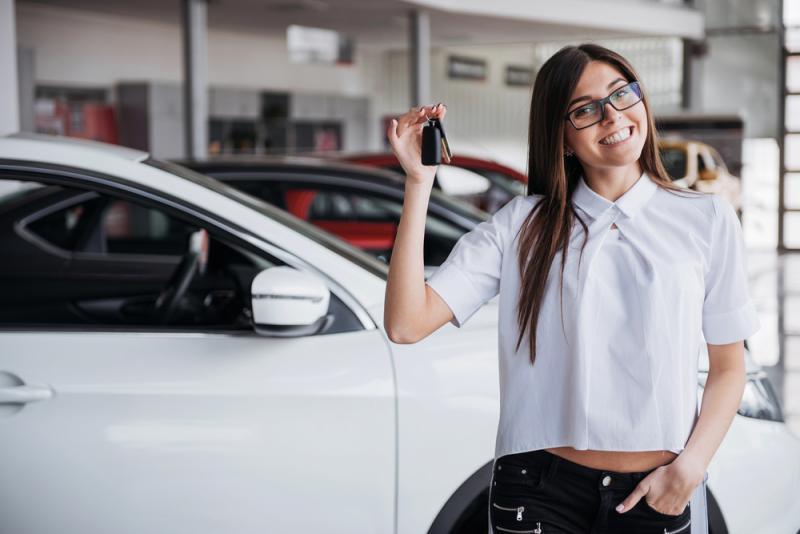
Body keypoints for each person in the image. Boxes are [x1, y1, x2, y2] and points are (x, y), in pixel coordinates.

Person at [384, 44, 760, 534]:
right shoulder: (521, 226)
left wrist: (690, 468)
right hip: (538, 492)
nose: (613, 116)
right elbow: (406, 323)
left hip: (655, 492)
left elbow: (729, 367)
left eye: (622, 95)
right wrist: (419, 182)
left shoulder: (706, 219)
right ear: (560, 137)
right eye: (586, 109)